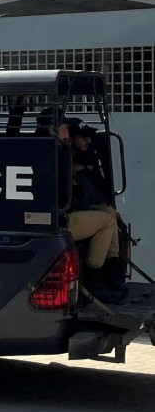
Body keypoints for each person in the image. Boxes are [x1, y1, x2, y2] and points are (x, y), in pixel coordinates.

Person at [55, 119, 126, 303]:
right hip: (58, 219)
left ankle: (111, 273)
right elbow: (60, 187)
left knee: (109, 214)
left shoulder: (71, 153)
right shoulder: (54, 152)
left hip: (70, 210)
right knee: (107, 220)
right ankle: (95, 282)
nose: (88, 140)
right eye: (82, 136)